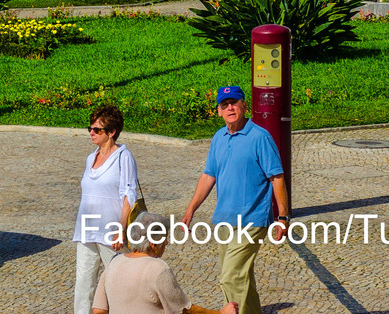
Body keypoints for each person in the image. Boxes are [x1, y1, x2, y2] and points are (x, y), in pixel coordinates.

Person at [181, 86, 288, 314]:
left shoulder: (260, 137)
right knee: (242, 278)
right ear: (218, 111)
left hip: (252, 219)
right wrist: (191, 209)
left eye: (234, 102)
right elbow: (209, 175)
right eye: (224, 104)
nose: (230, 108)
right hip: (224, 219)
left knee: (230, 277)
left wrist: (283, 217)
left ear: (244, 105)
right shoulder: (218, 138)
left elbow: (277, 178)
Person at [91, 212, 235, 314]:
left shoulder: (114, 262)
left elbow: (99, 309)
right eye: (164, 239)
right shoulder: (158, 269)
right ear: (153, 244)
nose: (166, 242)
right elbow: (184, 310)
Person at [73, 104, 142, 314]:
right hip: (87, 230)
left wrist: (121, 229)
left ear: (111, 132)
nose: (92, 133)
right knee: (83, 286)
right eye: (90, 129)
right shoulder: (90, 157)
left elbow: (129, 194)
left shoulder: (123, 157)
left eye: (97, 130)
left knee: (116, 286)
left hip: (110, 232)